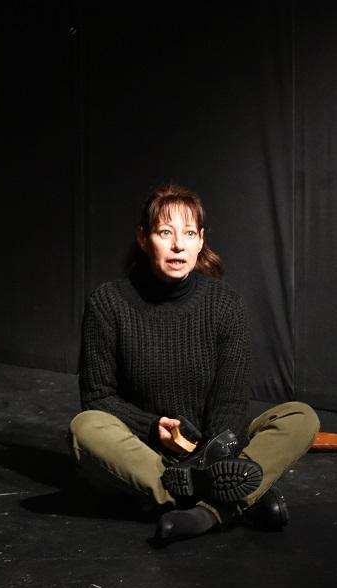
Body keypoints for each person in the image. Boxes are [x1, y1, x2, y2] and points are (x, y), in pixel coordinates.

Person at [70, 184, 319, 546]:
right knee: (84, 428)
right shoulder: (107, 304)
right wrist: (151, 427)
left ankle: (207, 511)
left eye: (188, 233)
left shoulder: (225, 305)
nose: (178, 245)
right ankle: (233, 498)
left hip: (218, 450)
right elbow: (97, 397)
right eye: (165, 233)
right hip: (149, 454)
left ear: (201, 241)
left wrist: (214, 452)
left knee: (300, 417)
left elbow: (229, 400)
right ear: (143, 238)